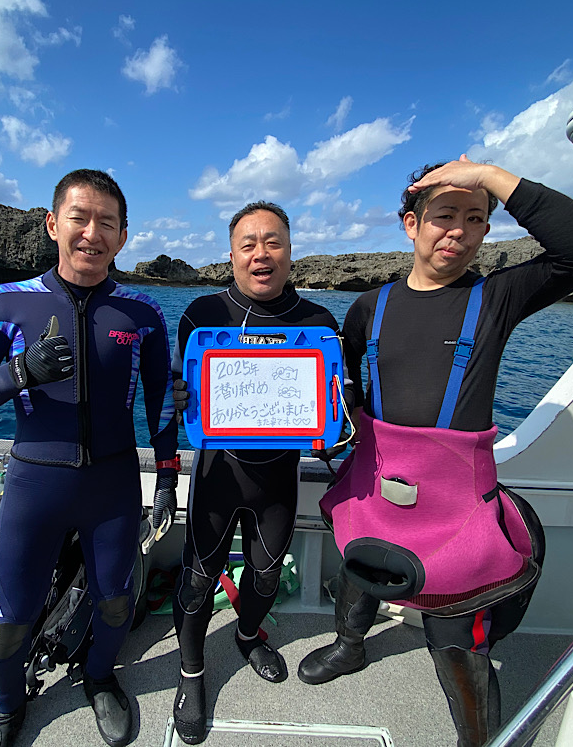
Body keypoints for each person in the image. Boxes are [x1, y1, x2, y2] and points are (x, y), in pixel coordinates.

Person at [297, 156, 573, 746]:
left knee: (453, 629)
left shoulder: (497, 296)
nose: (459, 231)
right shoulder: (369, 307)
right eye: (445, 215)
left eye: (475, 218)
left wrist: (490, 177)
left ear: (487, 230)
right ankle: (349, 646)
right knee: (359, 565)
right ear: (411, 224)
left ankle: (478, 738)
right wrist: (335, 412)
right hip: (378, 475)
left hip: (454, 497)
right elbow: (344, 380)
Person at [0, 169, 179, 747]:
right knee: (8, 623)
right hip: (34, 486)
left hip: (113, 485)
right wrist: (20, 371)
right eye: (80, 217)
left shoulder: (142, 313)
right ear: (53, 224)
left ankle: (98, 678)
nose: (92, 233)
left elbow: (162, 402)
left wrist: (168, 476)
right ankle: (7, 709)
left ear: (123, 236)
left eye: (107, 223)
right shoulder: (7, 302)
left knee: (116, 604)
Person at [169, 202, 340, 744]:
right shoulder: (202, 314)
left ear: (290, 251)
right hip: (218, 474)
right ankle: (191, 672)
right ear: (232, 255)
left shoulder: (319, 323)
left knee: (266, 574)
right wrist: (177, 396)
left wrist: (336, 415)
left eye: (273, 242)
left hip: (278, 479)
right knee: (199, 577)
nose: (260, 254)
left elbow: (335, 405)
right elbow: (180, 386)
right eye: (248, 244)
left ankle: (246, 636)